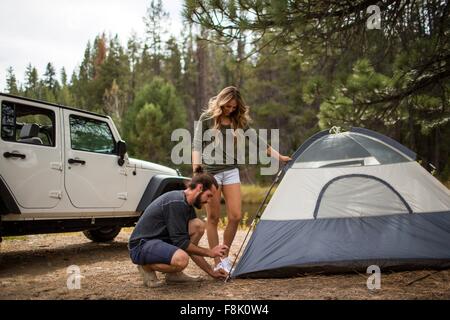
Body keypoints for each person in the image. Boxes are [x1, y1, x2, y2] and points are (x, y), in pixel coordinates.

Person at [192, 86, 291, 272]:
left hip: (230, 171)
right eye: (227, 106)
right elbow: (196, 146)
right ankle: (217, 262)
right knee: (212, 217)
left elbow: (258, 141)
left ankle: (225, 258)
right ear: (221, 103)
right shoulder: (207, 118)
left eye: (234, 107)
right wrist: (197, 172)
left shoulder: (237, 120)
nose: (230, 110)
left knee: (236, 216)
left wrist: (280, 157)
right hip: (210, 173)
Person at [128, 168, 229, 287]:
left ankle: (174, 275)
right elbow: (181, 243)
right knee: (181, 259)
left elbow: (190, 247)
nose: (209, 200)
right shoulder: (176, 202)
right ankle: (146, 267)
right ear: (200, 188)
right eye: (209, 195)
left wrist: (212, 272)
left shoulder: (188, 205)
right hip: (141, 245)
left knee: (198, 226)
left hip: (159, 242)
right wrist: (210, 252)